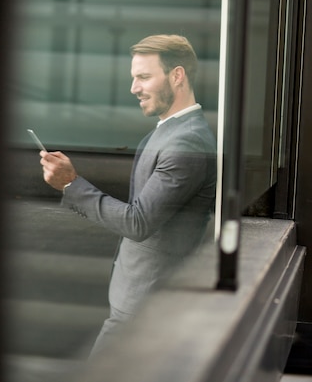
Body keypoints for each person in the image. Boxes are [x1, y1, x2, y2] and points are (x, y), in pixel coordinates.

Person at [39, 34, 217, 357]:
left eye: (143, 77)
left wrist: (71, 184)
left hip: (147, 309)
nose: (134, 88)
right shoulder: (169, 130)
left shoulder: (186, 143)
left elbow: (138, 222)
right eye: (133, 78)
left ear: (177, 76)